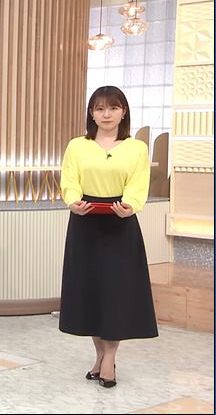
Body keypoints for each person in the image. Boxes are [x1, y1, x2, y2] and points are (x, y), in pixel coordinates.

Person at [59, 85, 158, 389]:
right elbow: (70, 179)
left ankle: (110, 358)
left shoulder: (136, 148)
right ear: (91, 113)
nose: (106, 114)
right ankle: (100, 355)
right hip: (85, 222)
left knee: (115, 293)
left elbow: (138, 183)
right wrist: (73, 202)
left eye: (113, 108)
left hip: (120, 224)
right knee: (91, 292)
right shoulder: (77, 146)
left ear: (123, 112)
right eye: (100, 108)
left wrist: (131, 205)